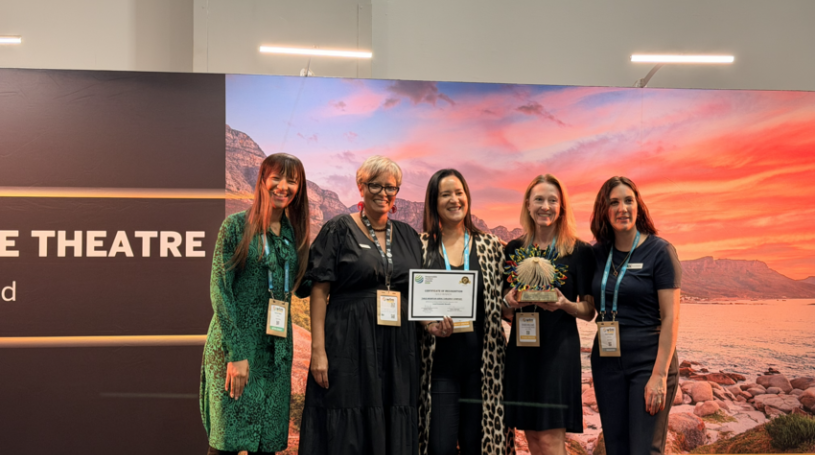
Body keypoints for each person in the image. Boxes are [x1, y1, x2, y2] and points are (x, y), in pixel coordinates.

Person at [298, 155, 423, 455]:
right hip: (348, 344)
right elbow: (319, 289)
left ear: (397, 191)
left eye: (390, 187)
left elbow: (420, 293)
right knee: (347, 417)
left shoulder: (409, 235)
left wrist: (434, 323)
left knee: (394, 415)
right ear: (361, 187)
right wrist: (318, 351)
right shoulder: (339, 228)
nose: (383, 193)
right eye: (375, 185)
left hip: (397, 349)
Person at [200, 153, 310, 455]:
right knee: (225, 445)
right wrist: (236, 355)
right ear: (262, 180)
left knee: (267, 445)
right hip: (234, 350)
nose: (283, 186)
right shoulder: (235, 226)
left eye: (292, 180)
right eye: (277, 177)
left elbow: (307, 286)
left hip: (275, 354)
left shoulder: (293, 236)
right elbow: (219, 291)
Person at [417, 169, 513, 455]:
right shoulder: (421, 246)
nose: (454, 199)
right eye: (446, 194)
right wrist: (428, 325)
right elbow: (412, 300)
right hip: (439, 368)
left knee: (478, 447)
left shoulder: (491, 246)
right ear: (434, 201)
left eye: (459, 193)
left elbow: (502, 308)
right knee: (440, 447)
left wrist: (514, 301)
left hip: (483, 369)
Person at [502, 174, 595, 455]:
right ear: (528, 206)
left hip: (559, 352)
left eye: (552, 200)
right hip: (522, 350)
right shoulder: (514, 249)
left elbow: (589, 310)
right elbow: (504, 309)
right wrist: (508, 301)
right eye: (539, 199)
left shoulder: (580, 251)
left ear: (561, 207)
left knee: (552, 440)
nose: (546, 206)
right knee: (531, 437)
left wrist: (565, 304)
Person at [588, 176, 681, 455]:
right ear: (604, 210)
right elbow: (584, 303)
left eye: (629, 201)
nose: (622, 208)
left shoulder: (660, 252)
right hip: (606, 360)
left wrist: (659, 375)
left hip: (648, 360)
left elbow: (671, 318)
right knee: (615, 448)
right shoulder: (597, 253)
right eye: (613, 202)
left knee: (644, 450)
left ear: (638, 206)